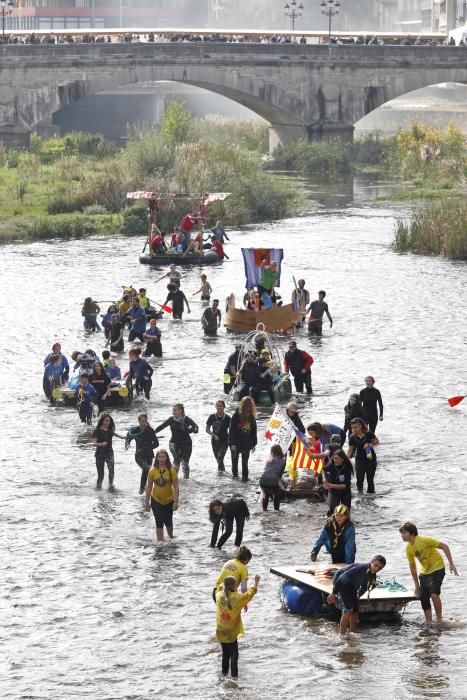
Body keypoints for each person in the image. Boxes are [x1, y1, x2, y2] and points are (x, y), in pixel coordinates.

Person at [399, 522, 458, 626]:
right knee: (423, 598)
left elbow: (445, 546)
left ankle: (440, 620)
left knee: (434, 594)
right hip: (425, 572)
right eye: (401, 534)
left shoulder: (424, 540)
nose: (402, 535)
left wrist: (451, 564)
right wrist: (417, 587)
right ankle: (429, 623)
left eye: (404, 533)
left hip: (437, 568)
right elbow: (413, 568)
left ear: (412, 533)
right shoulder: (408, 548)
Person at [327, 555, 386, 634]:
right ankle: (342, 635)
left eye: (379, 568)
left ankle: (353, 633)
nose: (376, 569)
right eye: (375, 565)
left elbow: (364, 588)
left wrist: (357, 597)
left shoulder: (372, 576)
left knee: (355, 610)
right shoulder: (361, 568)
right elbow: (342, 578)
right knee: (349, 609)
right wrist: (333, 593)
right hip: (341, 581)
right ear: (371, 563)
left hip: (352, 585)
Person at [215, 574, 260, 679]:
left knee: (225, 653)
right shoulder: (238, 598)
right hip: (231, 630)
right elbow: (249, 593)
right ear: (235, 586)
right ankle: (234, 678)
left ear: (225, 585)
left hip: (220, 629)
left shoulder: (218, 595)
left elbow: (219, 587)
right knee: (234, 654)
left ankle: (224, 675)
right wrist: (256, 582)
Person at [155, 403, 198, 479]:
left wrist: (189, 430)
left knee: (185, 463)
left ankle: (186, 481)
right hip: (174, 443)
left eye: (175, 410)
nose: (173, 412)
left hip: (186, 443)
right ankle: (174, 480)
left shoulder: (186, 419)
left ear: (180, 411)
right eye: (173, 410)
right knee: (177, 461)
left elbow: (196, 428)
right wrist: (152, 432)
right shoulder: (171, 419)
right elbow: (161, 427)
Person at [145, 449, 179, 542]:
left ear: (167, 458)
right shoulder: (152, 470)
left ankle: (171, 538)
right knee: (159, 522)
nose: (161, 459)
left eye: (163, 457)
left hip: (169, 500)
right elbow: (148, 488)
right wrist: (147, 503)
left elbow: (176, 487)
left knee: (168, 521)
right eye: (159, 457)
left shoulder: (171, 470)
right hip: (156, 499)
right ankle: (160, 543)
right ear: (156, 458)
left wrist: (176, 502)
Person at [125, 413, 159, 493]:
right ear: (139, 421)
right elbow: (128, 439)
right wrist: (127, 444)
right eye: (142, 421)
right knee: (145, 468)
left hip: (149, 455)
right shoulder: (135, 430)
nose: (143, 423)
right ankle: (141, 491)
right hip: (139, 455)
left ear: (147, 421)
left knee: (147, 471)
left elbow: (156, 443)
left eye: (145, 421)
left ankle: (147, 490)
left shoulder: (150, 430)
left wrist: (148, 448)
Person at [91, 413, 125, 489]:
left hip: (109, 453)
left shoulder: (110, 430)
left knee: (111, 472)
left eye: (109, 421)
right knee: (101, 475)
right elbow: (93, 444)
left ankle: (110, 486)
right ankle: (98, 489)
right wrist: (101, 444)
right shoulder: (97, 431)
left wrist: (122, 437)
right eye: (106, 421)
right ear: (102, 421)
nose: (107, 423)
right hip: (99, 454)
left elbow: (114, 433)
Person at [228, 397, 257, 481]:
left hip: (246, 443)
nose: (248, 408)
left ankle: (245, 480)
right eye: (246, 406)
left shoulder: (252, 417)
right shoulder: (236, 415)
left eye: (250, 406)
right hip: (235, 442)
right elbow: (231, 430)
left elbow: (254, 431)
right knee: (234, 463)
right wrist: (232, 443)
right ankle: (235, 479)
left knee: (245, 463)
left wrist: (253, 444)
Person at [347, 417, 379, 494]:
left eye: (355, 427)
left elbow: (377, 441)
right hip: (359, 460)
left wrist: (370, 445)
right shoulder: (352, 437)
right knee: (359, 479)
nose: (354, 429)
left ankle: (371, 498)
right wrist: (345, 459)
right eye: (352, 428)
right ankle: (360, 496)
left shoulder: (368, 434)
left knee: (370, 479)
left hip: (370, 459)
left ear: (360, 426)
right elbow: (350, 451)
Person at [206, 400, 231, 472]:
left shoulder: (227, 418)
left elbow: (232, 430)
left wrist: (232, 440)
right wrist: (214, 435)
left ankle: (221, 474)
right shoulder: (212, 417)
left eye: (221, 406)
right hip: (214, 441)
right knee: (218, 459)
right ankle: (222, 474)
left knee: (220, 457)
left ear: (224, 407)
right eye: (218, 406)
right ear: (215, 407)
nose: (219, 407)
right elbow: (207, 430)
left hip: (225, 440)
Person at [259, 445, 286, 512]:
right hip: (273, 481)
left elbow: (265, 470)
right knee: (276, 495)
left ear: (272, 452)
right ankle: (276, 511)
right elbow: (279, 475)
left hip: (262, 481)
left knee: (265, 495)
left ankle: (264, 511)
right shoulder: (283, 461)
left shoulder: (268, 460)